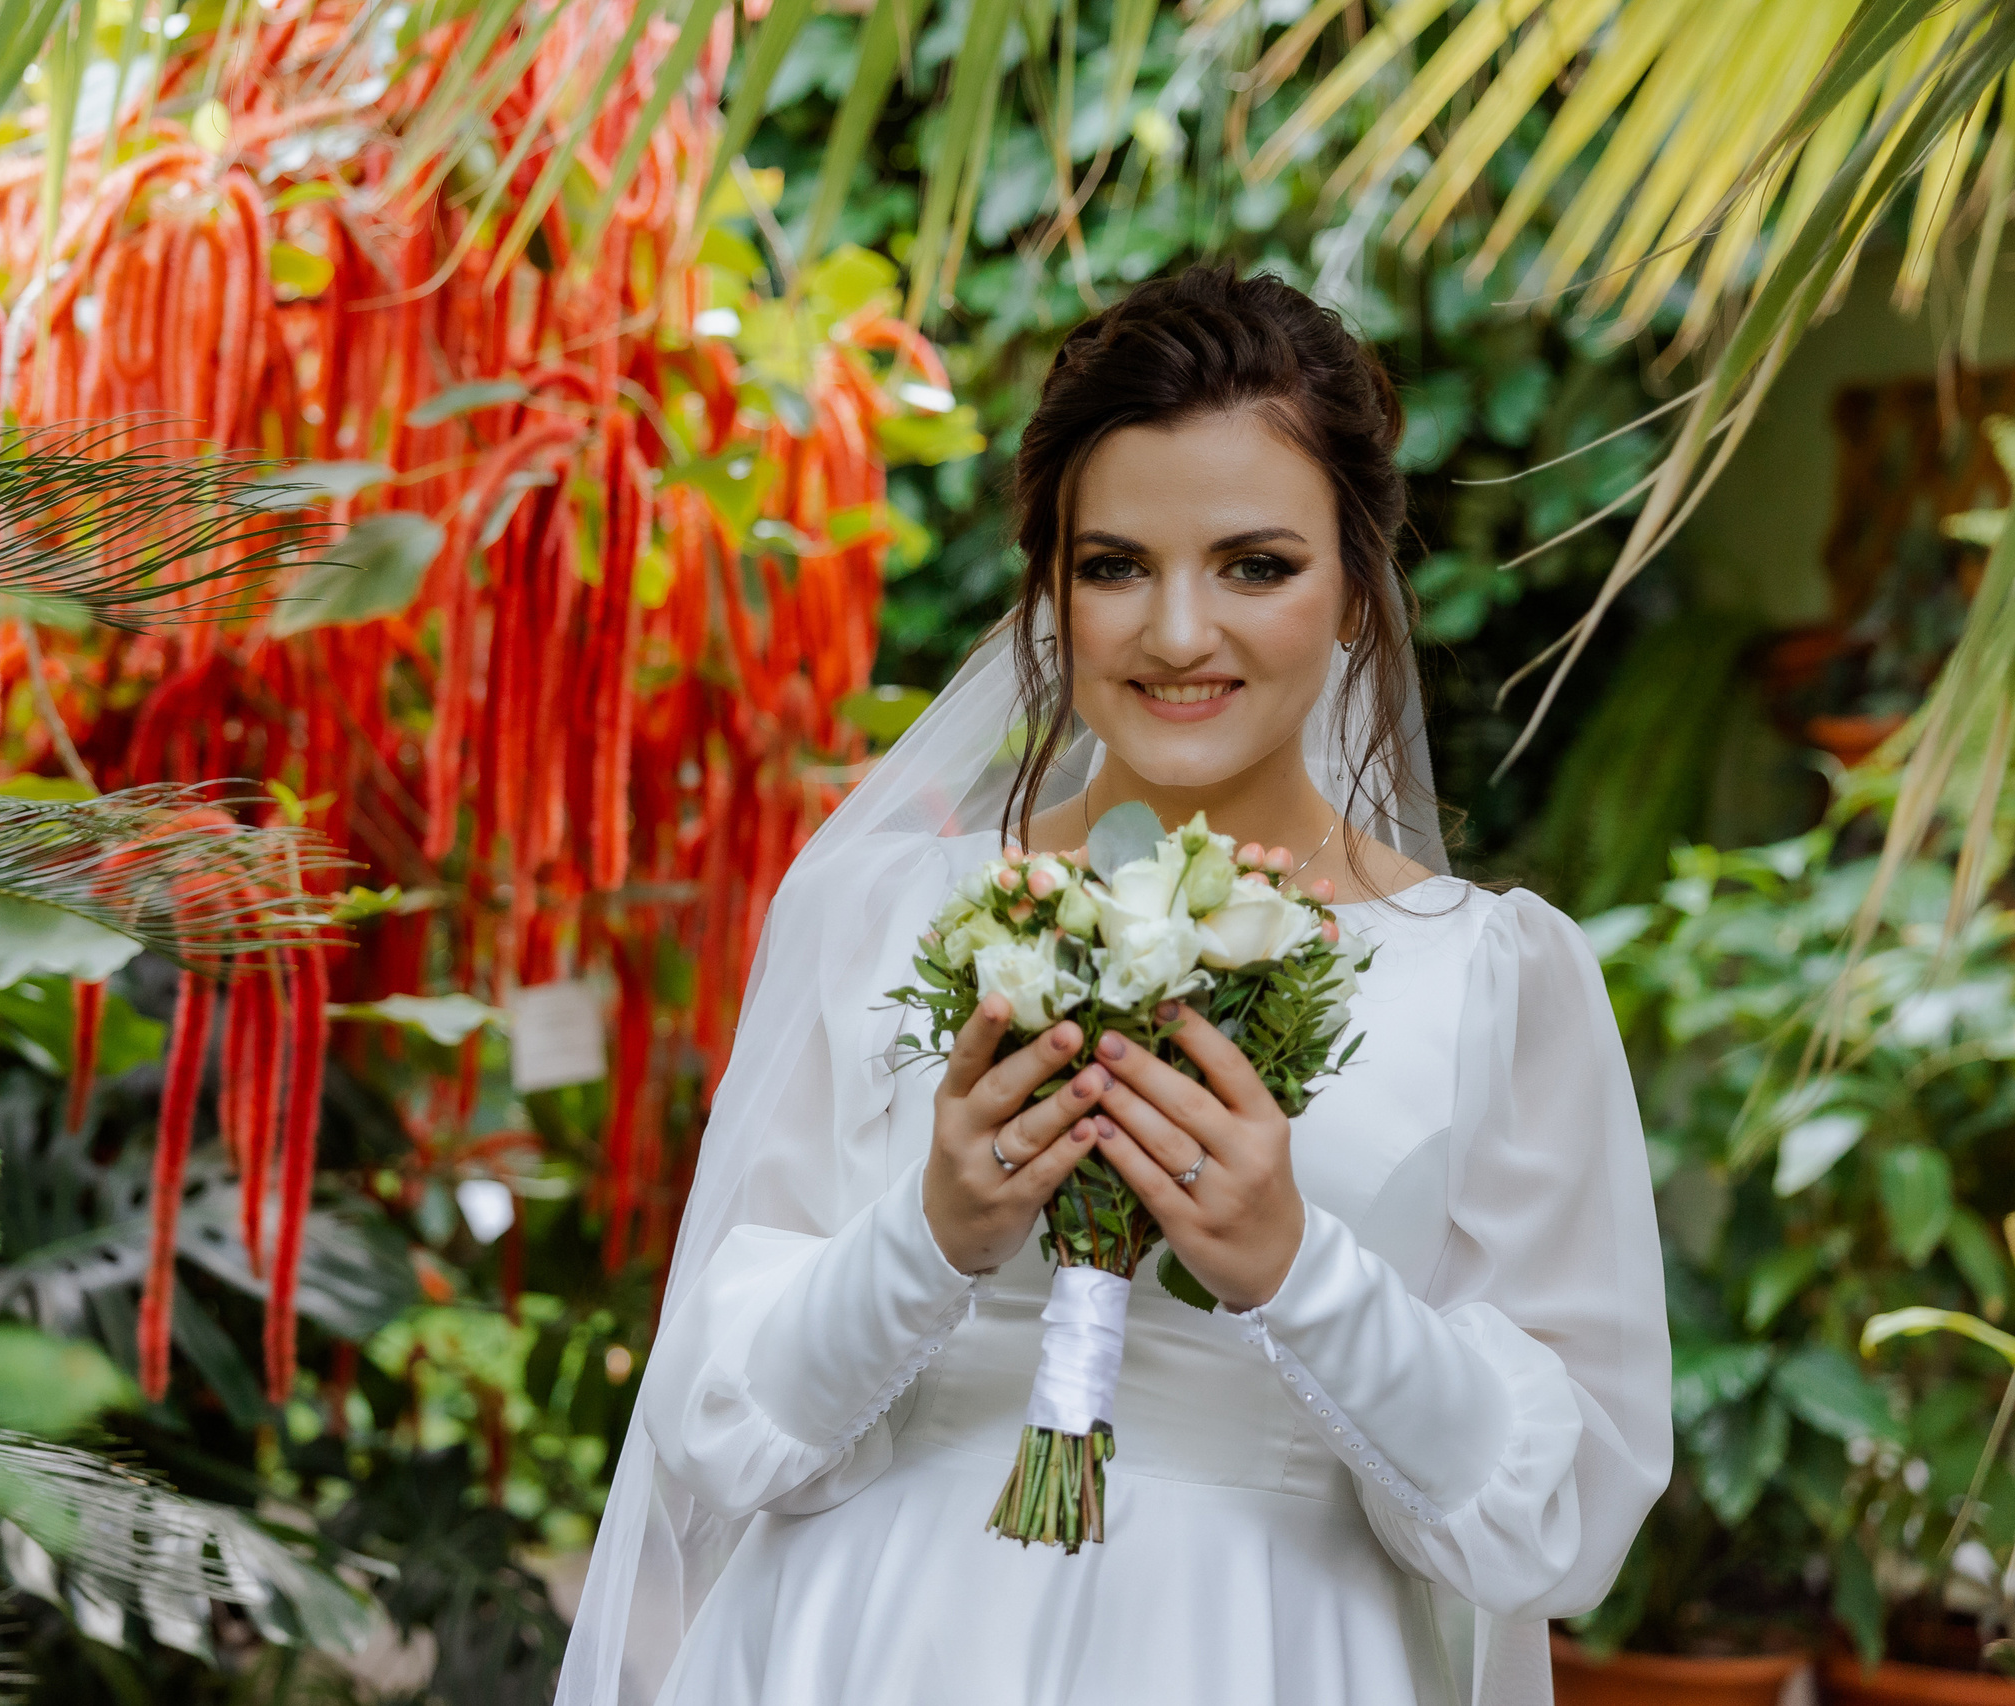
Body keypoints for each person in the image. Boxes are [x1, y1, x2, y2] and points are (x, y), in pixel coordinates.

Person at [555, 265, 1670, 1706]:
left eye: (1256, 565)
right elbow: (722, 1423)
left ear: (1354, 591)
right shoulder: (885, 915)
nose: (1178, 633)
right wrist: (933, 1234)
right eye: (1115, 564)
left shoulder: (1494, 976)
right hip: (867, 1645)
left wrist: (1296, 1268)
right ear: (1051, 588)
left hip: (1263, 1654)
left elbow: (1556, 1513)